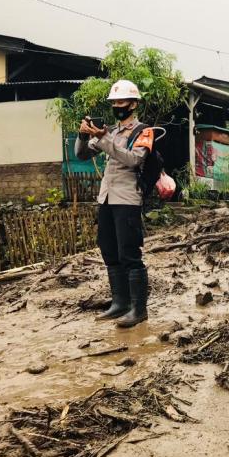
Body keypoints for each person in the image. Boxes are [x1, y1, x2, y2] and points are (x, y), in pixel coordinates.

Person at [75, 79, 153, 328]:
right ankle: (119, 303)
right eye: (114, 102)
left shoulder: (144, 131)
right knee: (108, 249)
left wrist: (103, 138)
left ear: (133, 104)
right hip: (107, 198)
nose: (118, 106)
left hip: (128, 199)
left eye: (122, 102)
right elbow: (82, 154)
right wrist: (83, 134)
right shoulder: (111, 131)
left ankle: (139, 309)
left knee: (129, 253)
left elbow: (133, 160)